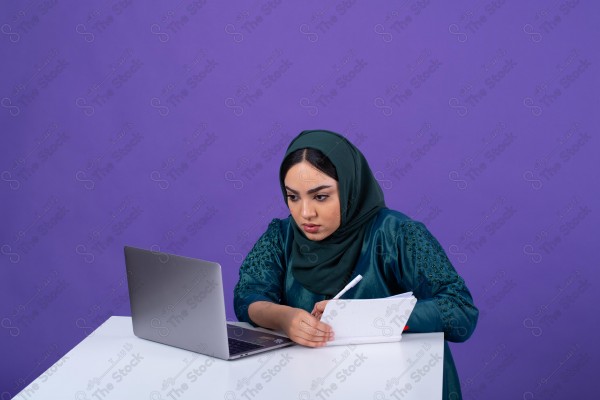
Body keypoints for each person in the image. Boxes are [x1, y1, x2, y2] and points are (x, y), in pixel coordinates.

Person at [234, 130, 478, 399]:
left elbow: (460, 312)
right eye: (293, 197)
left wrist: (366, 318)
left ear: (351, 188)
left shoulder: (398, 235)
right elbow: (248, 297)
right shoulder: (281, 236)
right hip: (312, 386)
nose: (305, 213)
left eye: (321, 196)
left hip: (399, 385)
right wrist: (285, 318)